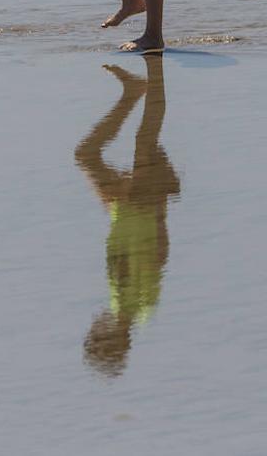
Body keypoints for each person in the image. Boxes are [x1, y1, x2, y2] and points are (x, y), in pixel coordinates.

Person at [76, 57, 180, 376]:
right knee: (141, 141)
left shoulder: (128, 307)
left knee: (94, 154)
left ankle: (135, 92)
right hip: (140, 206)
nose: (95, 325)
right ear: (114, 336)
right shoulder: (135, 308)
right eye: (98, 333)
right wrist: (155, 210)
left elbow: (132, 253)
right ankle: (139, 90)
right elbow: (159, 255)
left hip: (128, 209)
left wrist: (120, 211)